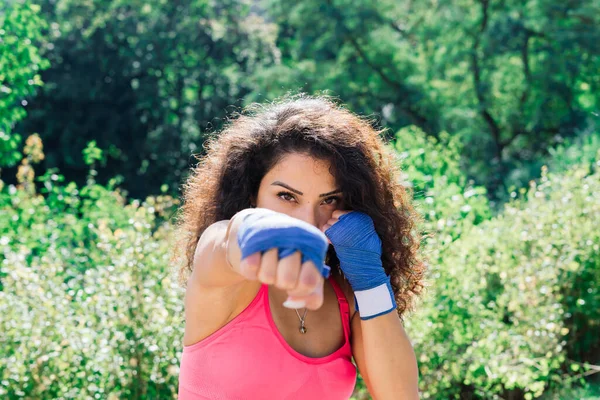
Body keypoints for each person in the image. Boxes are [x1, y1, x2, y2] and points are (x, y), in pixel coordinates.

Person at [172, 95, 426, 399]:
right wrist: (260, 230)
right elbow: (227, 241)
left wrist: (369, 276)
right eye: (287, 197)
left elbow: (399, 396)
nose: (308, 221)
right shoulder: (225, 273)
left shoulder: (345, 293)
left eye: (329, 200)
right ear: (252, 194)